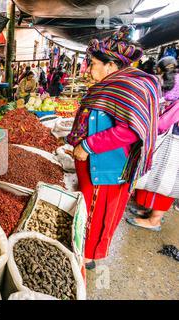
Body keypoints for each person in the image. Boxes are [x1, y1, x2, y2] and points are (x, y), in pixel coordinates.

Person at [66, 26, 161, 270]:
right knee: (89, 209)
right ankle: (83, 250)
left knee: (97, 214)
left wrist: (87, 145)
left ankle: (86, 257)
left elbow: (130, 130)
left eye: (94, 63)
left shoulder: (128, 86)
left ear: (110, 66)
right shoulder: (110, 84)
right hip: (94, 164)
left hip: (107, 166)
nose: (89, 69)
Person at [126, 56, 179, 231]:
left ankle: (155, 220)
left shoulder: (174, 88)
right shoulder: (170, 84)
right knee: (156, 176)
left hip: (174, 141)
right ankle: (149, 211)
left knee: (167, 180)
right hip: (169, 137)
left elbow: (164, 122)